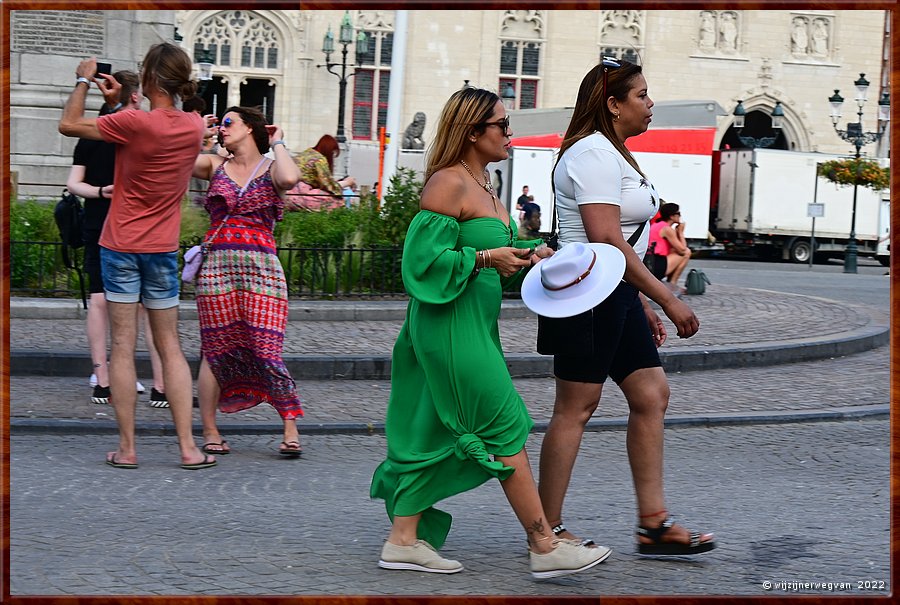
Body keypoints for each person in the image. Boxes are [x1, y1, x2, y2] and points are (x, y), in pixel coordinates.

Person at [369, 86, 610, 579]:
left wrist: (527, 251)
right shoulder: (447, 183)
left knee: (437, 428)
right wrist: (485, 258)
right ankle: (544, 543)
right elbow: (420, 263)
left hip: (475, 326)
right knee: (505, 424)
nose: (510, 133)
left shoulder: (484, 183)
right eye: (502, 125)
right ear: (473, 131)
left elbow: (486, 243)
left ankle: (403, 539)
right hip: (448, 326)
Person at [536, 58, 715, 556]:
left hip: (611, 291)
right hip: (584, 297)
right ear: (613, 105)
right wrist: (666, 297)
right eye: (641, 95)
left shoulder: (612, 152)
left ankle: (653, 525)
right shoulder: (592, 152)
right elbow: (607, 239)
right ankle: (546, 531)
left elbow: (619, 244)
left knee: (651, 393)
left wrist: (638, 300)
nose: (650, 103)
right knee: (576, 407)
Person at [58, 42, 216, 470]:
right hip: (162, 248)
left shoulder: (133, 122)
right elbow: (146, 128)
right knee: (170, 348)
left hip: (120, 243)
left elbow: (69, 125)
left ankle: (127, 449)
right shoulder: (193, 127)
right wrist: (117, 103)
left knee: (122, 349)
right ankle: (187, 447)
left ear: (147, 78)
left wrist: (83, 79)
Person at [189, 106, 304, 457]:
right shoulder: (214, 165)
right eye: (221, 124)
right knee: (215, 349)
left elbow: (289, 179)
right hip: (217, 268)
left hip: (262, 269)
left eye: (229, 123)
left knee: (267, 346)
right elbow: (175, 158)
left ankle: (289, 422)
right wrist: (200, 134)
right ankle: (210, 430)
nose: (223, 129)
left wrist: (278, 142)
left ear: (251, 129)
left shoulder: (271, 169)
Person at [66, 70, 167, 408]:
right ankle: (125, 380)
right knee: (134, 304)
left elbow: (73, 183)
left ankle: (111, 379)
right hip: (127, 223)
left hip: (111, 222)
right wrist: (101, 191)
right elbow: (75, 183)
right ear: (136, 97)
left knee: (114, 302)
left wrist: (96, 192)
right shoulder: (140, 132)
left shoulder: (100, 133)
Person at [290, 134, 356, 210]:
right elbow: (329, 185)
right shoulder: (319, 160)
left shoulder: (306, 153)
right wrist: (348, 182)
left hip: (288, 191)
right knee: (337, 201)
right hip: (301, 194)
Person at [649, 202, 692, 293]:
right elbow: (682, 250)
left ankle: (671, 284)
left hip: (650, 262)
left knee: (675, 250)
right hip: (657, 265)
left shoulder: (657, 225)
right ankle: (672, 284)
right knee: (687, 252)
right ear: (672, 216)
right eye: (678, 214)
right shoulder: (667, 229)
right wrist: (680, 233)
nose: (680, 216)